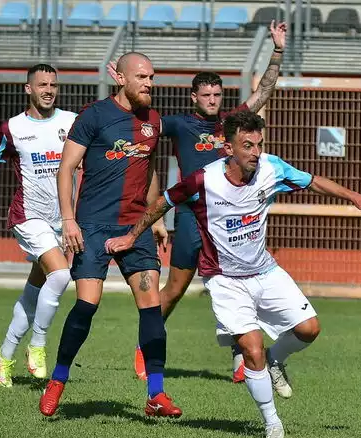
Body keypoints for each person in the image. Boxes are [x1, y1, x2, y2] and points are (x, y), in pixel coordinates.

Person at [107, 111, 361, 438]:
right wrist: (131, 237)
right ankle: (272, 424)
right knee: (251, 348)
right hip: (225, 280)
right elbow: (163, 203)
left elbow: (312, 181)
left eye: (259, 144)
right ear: (228, 148)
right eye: (247, 145)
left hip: (265, 271)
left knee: (309, 329)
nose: (255, 152)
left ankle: (277, 359)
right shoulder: (203, 180)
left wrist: (356, 198)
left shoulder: (271, 168)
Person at [123, 22, 289, 384]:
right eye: (207, 95)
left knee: (241, 286)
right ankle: (144, 346)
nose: (213, 100)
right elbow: (139, 122)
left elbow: (263, 92)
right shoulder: (179, 125)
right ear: (194, 97)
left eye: (217, 94)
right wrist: (123, 87)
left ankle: (241, 358)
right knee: (176, 289)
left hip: (231, 222)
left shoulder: (231, 124)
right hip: (192, 219)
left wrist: (277, 50)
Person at [40, 52, 181, 418]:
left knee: (151, 307)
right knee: (88, 303)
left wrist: (156, 220)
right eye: (141, 77)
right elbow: (66, 168)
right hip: (93, 225)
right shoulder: (94, 116)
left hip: (136, 227)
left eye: (152, 76)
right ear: (119, 77)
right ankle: (57, 380)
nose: (149, 83)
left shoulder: (154, 121)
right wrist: (69, 220)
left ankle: (156, 393)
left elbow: (149, 172)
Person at [0, 63, 76, 388]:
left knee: (34, 293)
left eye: (53, 85)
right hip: (29, 216)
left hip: (64, 220)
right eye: (42, 84)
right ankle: (38, 345)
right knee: (60, 275)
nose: (48, 90)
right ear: (28, 88)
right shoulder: (12, 128)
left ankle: (4, 354)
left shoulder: (71, 122)